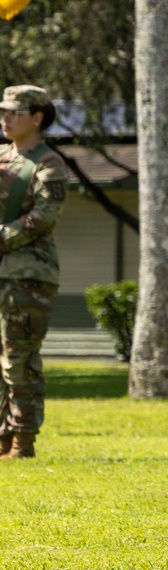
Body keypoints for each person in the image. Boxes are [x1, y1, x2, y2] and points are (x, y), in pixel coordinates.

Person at [0, 85, 69, 460]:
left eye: (14, 113)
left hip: (28, 274)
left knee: (18, 356)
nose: (5, 119)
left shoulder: (48, 164)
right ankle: (1, 438)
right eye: (3, 112)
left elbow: (43, 217)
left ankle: (23, 439)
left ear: (37, 117)